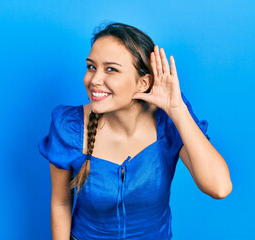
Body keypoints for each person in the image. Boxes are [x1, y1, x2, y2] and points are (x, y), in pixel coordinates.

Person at [38, 22, 232, 240]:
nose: (94, 80)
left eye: (111, 69)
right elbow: (61, 202)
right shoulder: (68, 126)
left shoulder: (168, 122)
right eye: (91, 66)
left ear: (142, 83)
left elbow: (219, 187)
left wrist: (177, 110)